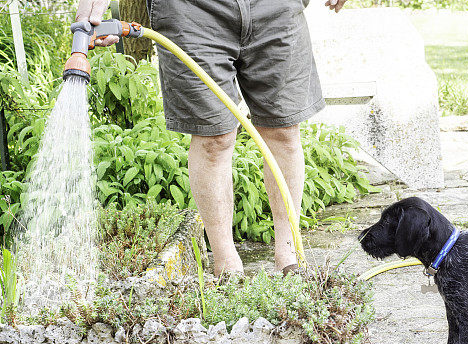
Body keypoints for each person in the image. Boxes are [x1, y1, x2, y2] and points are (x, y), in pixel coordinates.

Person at [75, 0, 347, 276]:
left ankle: (289, 255)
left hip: (274, 7)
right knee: (213, 139)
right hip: (191, 11)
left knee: (283, 129)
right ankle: (226, 266)